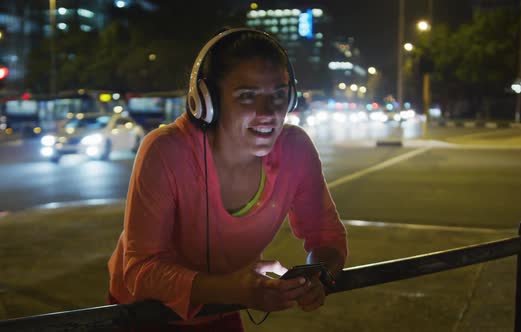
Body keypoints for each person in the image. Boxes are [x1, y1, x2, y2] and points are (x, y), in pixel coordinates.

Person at [108, 27, 348, 331]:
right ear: (208, 102)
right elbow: (141, 271)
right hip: (145, 315)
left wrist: (319, 275)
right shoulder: (166, 150)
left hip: (225, 305)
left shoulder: (295, 150)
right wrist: (235, 289)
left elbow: (326, 236)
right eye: (247, 96)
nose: (269, 112)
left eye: (278, 95)